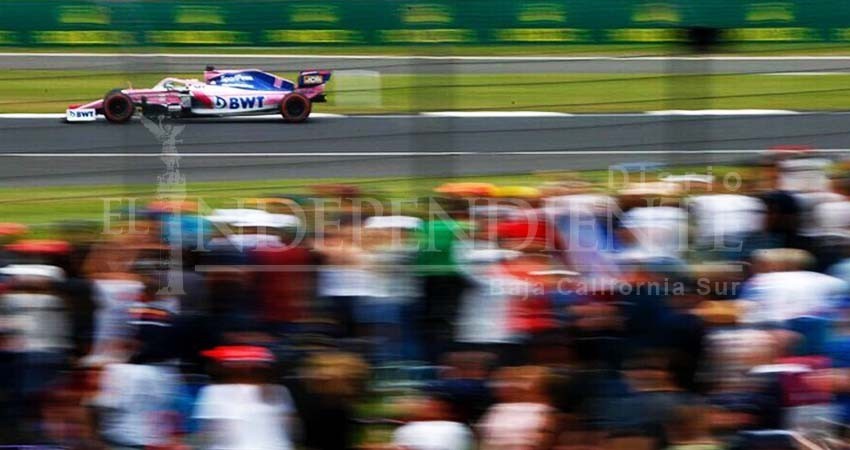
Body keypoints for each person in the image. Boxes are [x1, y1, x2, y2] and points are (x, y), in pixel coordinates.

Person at [193, 345, 298, 450]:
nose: (211, 367)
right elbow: (291, 428)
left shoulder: (214, 392)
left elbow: (209, 434)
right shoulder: (280, 391)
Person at [391, 393, 474, 450]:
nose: (430, 407)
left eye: (437, 407)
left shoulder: (456, 429)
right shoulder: (406, 429)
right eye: (428, 404)